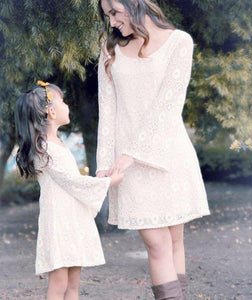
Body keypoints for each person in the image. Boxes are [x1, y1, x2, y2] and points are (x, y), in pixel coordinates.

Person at [96, 1, 211, 299]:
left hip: (169, 156)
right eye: (108, 16)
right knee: (157, 245)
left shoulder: (180, 42)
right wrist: (103, 165)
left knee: (174, 242)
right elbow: (107, 113)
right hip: (127, 166)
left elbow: (168, 107)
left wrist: (130, 153)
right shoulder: (110, 51)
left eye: (114, 13)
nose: (112, 23)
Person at [14, 80, 124, 300]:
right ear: (51, 112)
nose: (68, 106)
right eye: (63, 102)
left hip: (72, 218)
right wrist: (108, 182)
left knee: (73, 281)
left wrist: (98, 179)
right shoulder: (44, 148)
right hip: (59, 221)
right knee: (60, 281)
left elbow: (73, 181)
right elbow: (72, 182)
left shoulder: (56, 143)